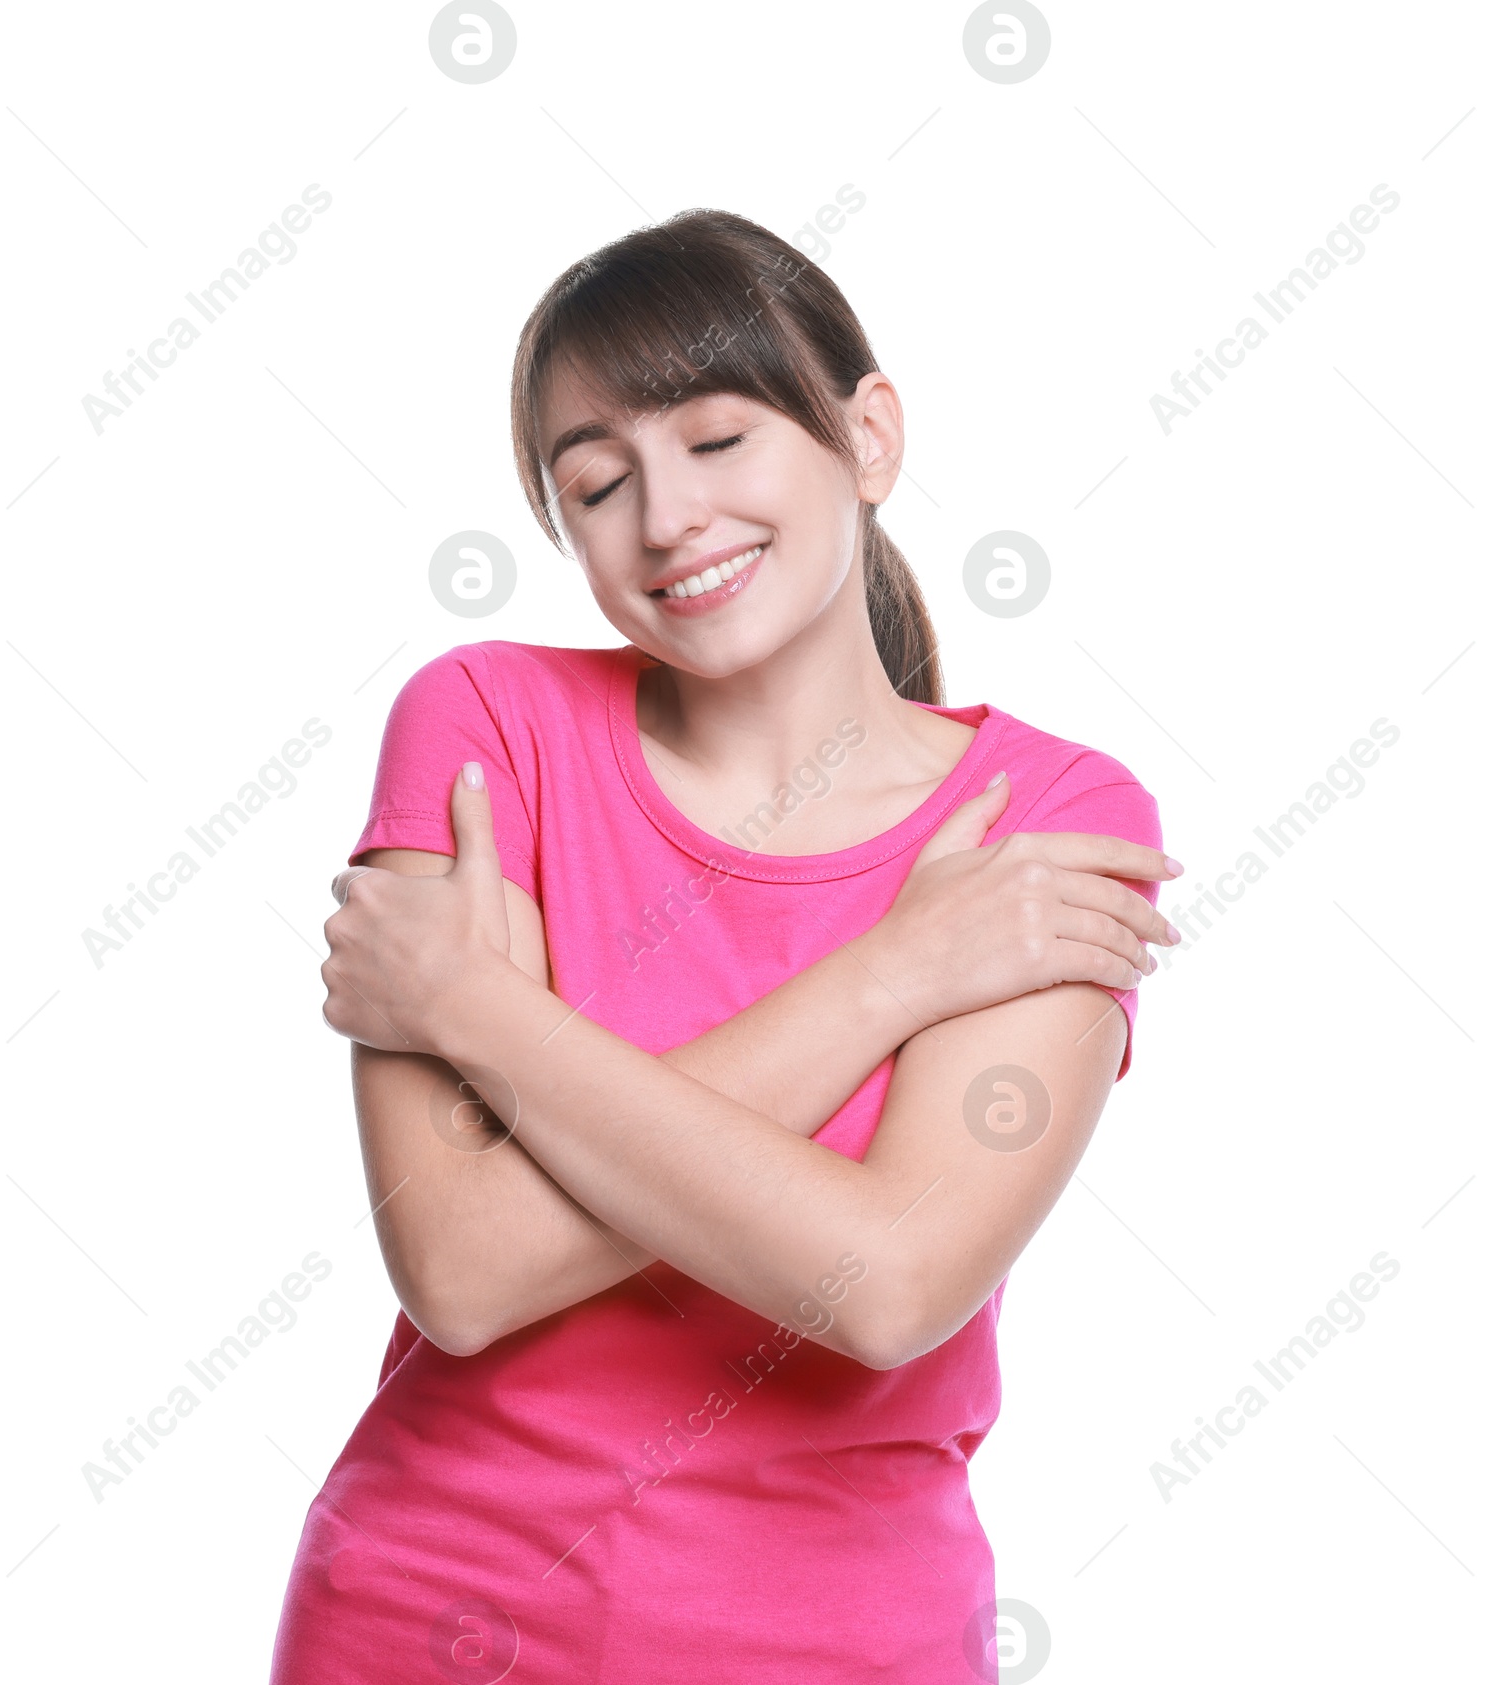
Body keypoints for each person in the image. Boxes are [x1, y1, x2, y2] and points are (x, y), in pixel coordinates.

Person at [269, 208, 1181, 1684]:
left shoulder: (1048, 815)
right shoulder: (484, 722)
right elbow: (465, 1260)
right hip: (426, 1623)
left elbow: (886, 1285)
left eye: (717, 437)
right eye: (597, 481)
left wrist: (477, 1009)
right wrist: (893, 974)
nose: (667, 518)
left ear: (868, 436)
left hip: (837, 1647)